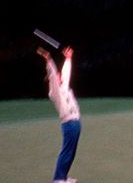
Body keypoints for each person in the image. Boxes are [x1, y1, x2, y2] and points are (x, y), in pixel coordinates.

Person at [37, 45, 82, 183]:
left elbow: (66, 73)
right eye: (57, 75)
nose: (59, 75)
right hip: (69, 124)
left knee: (71, 153)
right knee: (66, 152)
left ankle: (63, 177)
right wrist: (48, 59)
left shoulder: (64, 87)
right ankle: (58, 179)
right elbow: (52, 73)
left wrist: (68, 58)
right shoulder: (55, 92)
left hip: (75, 123)